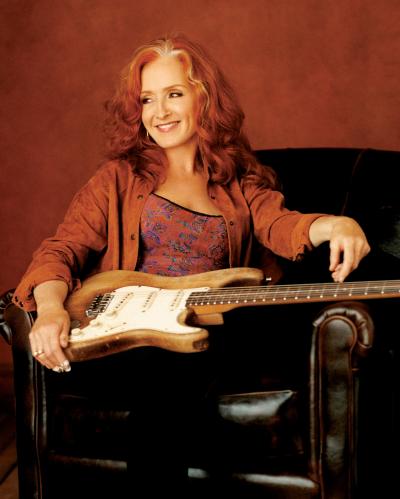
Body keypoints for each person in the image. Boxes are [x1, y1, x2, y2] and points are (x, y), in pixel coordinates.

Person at [12, 34, 370, 496]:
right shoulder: (116, 179)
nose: (159, 112)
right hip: (128, 341)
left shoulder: (238, 180)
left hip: (206, 336)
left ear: (205, 98)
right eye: (147, 99)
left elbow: (281, 224)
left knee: (208, 354)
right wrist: (51, 310)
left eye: (174, 94)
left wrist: (336, 225)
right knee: (164, 380)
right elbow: (59, 251)